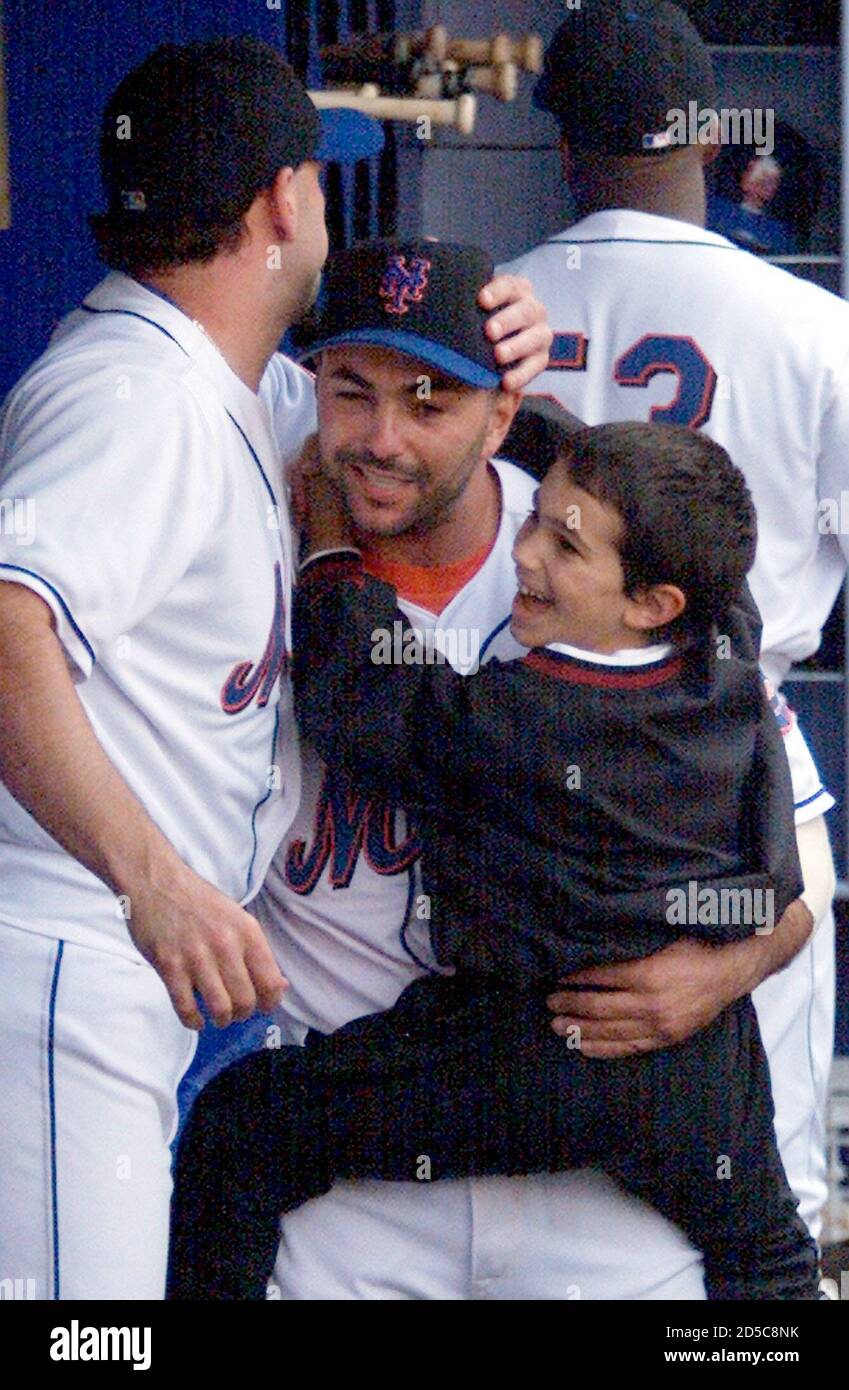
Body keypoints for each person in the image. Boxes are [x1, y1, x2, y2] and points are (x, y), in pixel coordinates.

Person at [0, 38, 549, 1301]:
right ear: (277, 205)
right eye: (312, 175)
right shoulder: (138, 396)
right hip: (70, 951)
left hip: (116, 982)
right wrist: (152, 884)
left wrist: (516, 341)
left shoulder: (234, 386)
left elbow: (413, 418)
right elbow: (10, 625)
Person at [166, 298, 819, 1299]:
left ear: (651, 600)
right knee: (772, 1262)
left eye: (567, 546)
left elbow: (362, 694)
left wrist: (332, 545)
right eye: (541, 523)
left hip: (537, 1051)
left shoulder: (526, 712)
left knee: (241, 1129)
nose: (530, 553)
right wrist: (515, 412)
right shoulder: (723, 652)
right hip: (698, 1083)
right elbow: (781, 879)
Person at [500, 0, 839, 1247]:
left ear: (565, 147)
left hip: (515, 762)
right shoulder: (816, 328)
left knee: (539, 1194)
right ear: (708, 139)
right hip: (730, 773)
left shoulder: (494, 309)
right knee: (760, 1207)